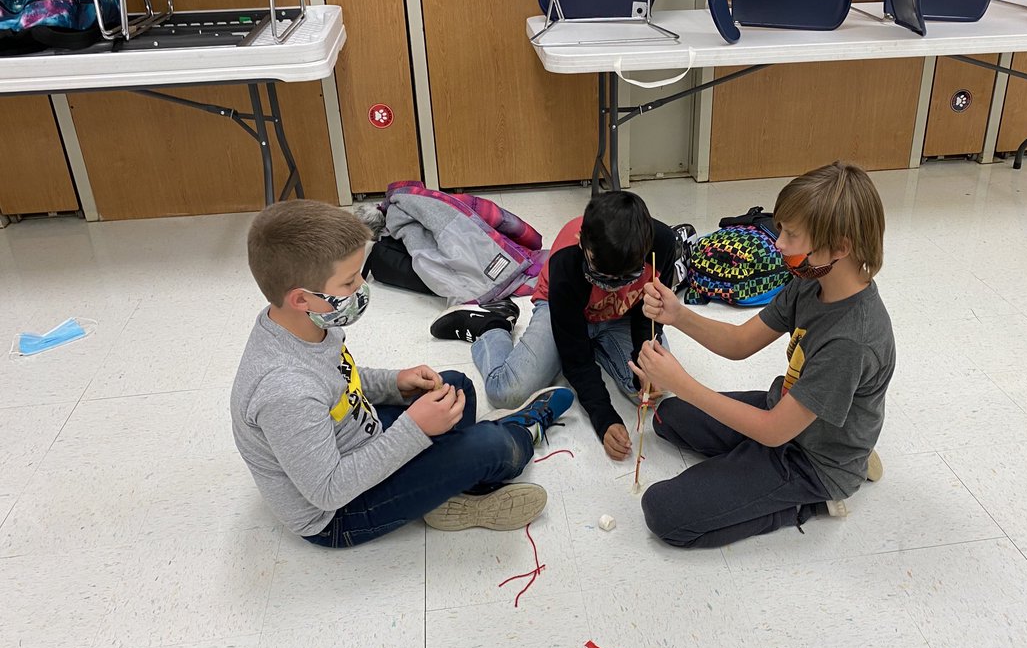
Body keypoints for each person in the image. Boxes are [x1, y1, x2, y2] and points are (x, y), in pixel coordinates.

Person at [230, 199, 573, 548]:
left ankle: (446, 487)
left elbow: (336, 378)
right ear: (301, 299)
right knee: (494, 446)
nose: (361, 286)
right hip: (337, 514)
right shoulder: (285, 391)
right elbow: (328, 491)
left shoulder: (302, 320)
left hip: (356, 437)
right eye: (349, 282)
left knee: (456, 386)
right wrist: (415, 428)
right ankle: (520, 434)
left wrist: (394, 383)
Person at [630, 162, 894, 548]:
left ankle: (811, 500)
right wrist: (678, 314)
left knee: (663, 512)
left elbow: (772, 432)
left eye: (792, 234)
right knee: (668, 418)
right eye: (782, 229)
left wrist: (683, 384)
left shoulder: (852, 340)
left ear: (840, 247)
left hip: (813, 461)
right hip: (786, 412)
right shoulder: (812, 281)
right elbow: (740, 342)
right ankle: (767, 468)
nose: (779, 243)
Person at [431, 191, 676, 461]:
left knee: (653, 388)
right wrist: (603, 417)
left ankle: (601, 345)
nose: (613, 285)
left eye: (626, 277)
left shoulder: (661, 244)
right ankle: (490, 327)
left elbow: (647, 313)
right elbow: (576, 357)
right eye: (600, 275)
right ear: (583, 244)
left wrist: (644, 360)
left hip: (622, 316)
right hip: (564, 312)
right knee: (507, 394)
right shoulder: (567, 261)